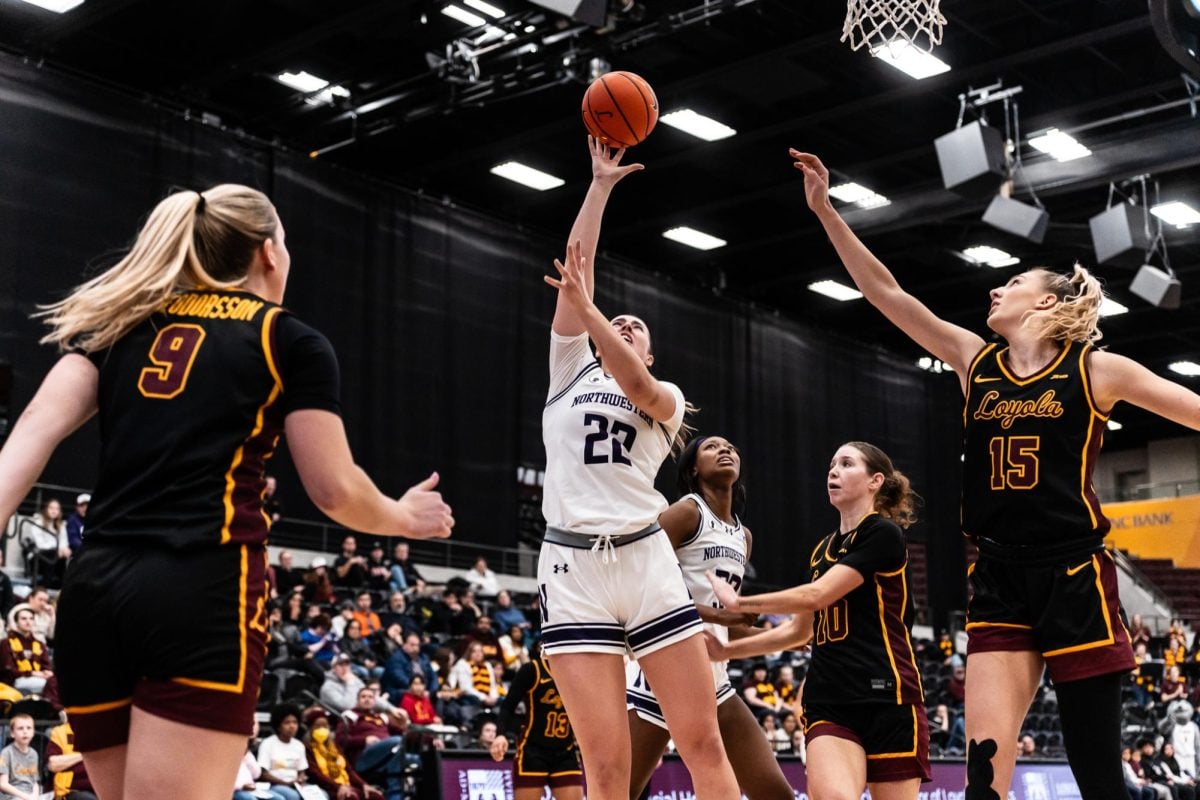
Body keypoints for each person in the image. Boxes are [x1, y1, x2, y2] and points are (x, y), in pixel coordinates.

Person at [0, 184, 455, 800]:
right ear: (270, 252)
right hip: (201, 589)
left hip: (94, 594)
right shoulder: (288, 339)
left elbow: (29, 436)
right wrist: (402, 516)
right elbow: (334, 492)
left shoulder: (119, 325)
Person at [791, 150, 1200, 800]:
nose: (994, 289)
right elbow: (885, 293)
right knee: (984, 781)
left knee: (1100, 779)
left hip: (1074, 575)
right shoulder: (973, 360)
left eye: (1010, 282)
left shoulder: (1098, 369)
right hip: (1001, 575)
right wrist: (825, 211)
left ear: (1046, 301)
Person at [537, 137, 739, 800]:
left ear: (651, 352)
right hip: (574, 569)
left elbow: (631, 373)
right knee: (606, 765)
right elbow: (579, 267)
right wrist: (599, 186)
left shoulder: (667, 400)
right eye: (615, 319)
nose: (625, 325)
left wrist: (595, 313)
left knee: (702, 740)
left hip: (646, 562)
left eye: (638, 327)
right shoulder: (568, 369)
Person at [708, 441, 929, 800]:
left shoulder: (883, 534)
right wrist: (727, 650)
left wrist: (740, 602)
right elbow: (800, 631)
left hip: (889, 698)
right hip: (829, 700)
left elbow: (817, 595)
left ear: (875, 481)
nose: (833, 471)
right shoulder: (821, 550)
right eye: (831, 465)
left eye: (846, 463)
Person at [625, 434, 792, 800]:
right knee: (619, 791)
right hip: (663, 674)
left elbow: (726, 626)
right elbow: (642, 585)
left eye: (731, 447)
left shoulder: (742, 536)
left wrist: (783, 634)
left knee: (776, 794)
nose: (726, 450)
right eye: (712, 447)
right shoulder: (686, 512)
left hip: (714, 680)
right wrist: (725, 617)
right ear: (693, 469)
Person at [490, 649, 583, 800]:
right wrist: (500, 734)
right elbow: (507, 706)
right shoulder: (532, 669)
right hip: (533, 751)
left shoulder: (578, 673)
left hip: (565, 751)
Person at [301, 708, 383, 800]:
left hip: (346, 784)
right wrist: (338, 787)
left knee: (375, 796)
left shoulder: (334, 746)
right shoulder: (307, 748)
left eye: (325, 726)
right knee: (350, 797)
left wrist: (363, 785)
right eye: (318, 726)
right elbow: (316, 775)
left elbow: (348, 770)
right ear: (311, 728)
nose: (322, 729)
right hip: (327, 787)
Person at [257, 705, 307, 800]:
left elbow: (302, 771)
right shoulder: (268, 743)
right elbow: (263, 773)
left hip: (295, 786)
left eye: (295, 722)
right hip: (275, 785)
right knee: (293, 796)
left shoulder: (299, 745)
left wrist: (300, 779)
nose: (292, 726)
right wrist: (285, 783)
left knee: (322, 795)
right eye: (287, 723)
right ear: (278, 726)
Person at [48, 712, 97, 800]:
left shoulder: (97, 731)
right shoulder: (60, 732)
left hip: (99, 786)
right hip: (71, 790)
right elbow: (53, 764)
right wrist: (84, 754)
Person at [0, 714, 39, 800]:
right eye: (20, 728)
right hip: (12, 796)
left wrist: (35, 797)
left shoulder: (34, 754)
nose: (25, 731)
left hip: (30, 795)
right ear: (12, 733)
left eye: (29, 728)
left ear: (33, 732)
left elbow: (35, 782)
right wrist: (26, 797)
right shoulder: (6, 753)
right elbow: (2, 784)